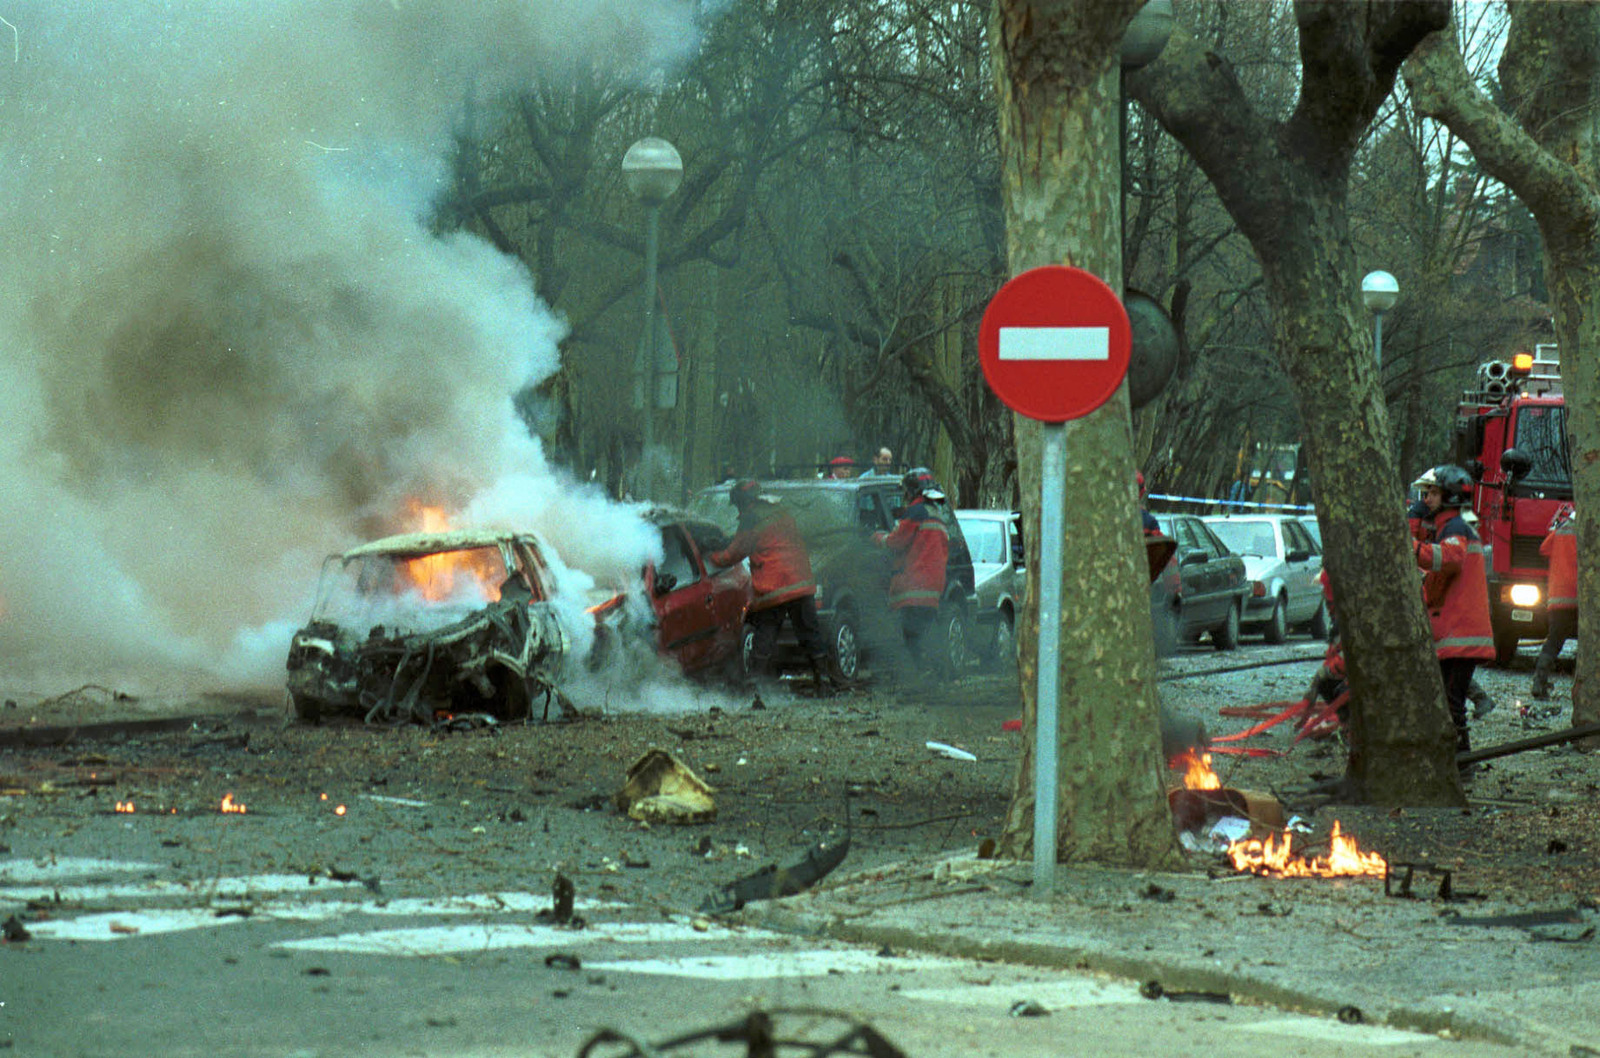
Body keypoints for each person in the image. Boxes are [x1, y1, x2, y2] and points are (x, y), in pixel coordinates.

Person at [709, 480, 846, 693]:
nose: (738, 509)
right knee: (810, 633)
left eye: (738, 505)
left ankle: (755, 688)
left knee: (765, 635)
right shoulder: (781, 510)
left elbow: (734, 553)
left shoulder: (750, 518)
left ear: (743, 502)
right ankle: (824, 683)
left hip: (775, 586)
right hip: (800, 581)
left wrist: (713, 557)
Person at [1412, 464, 1495, 756]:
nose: (1427, 499)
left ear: (1448, 496)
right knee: (1450, 699)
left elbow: (1450, 560)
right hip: (1458, 631)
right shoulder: (1453, 526)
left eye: (1433, 493)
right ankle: (1458, 759)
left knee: (1452, 700)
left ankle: (1461, 761)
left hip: (1461, 632)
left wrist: (1411, 549)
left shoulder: (1456, 528)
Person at [873, 467, 949, 674]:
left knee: (911, 637)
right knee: (926, 635)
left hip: (913, 586)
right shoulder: (937, 512)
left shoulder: (916, 512)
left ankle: (922, 677)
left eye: (906, 491)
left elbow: (896, 542)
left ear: (913, 491)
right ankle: (937, 674)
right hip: (933, 587)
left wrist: (879, 538)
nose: (904, 495)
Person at [1531, 504, 1578, 700]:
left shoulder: (1562, 529)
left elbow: (1543, 549)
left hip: (1557, 597)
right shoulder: (1591, 529)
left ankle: (1539, 683)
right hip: (1579, 597)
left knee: (1553, 642)